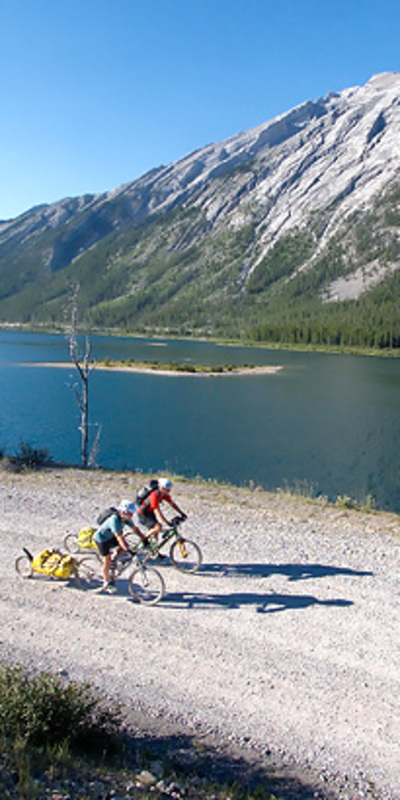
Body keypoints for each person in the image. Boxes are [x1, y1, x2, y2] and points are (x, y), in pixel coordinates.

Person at [94, 499, 145, 593]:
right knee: (107, 560)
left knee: (124, 547)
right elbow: (119, 537)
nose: (132, 516)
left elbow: (135, 529)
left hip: (111, 537)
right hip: (102, 539)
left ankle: (114, 559)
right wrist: (128, 550)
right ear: (123, 512)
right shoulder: (114, 520)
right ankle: (106, 582)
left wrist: (144, 539)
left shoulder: (125, 518)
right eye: (130, 514)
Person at [136, 477, 187, 544]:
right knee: (158, 527)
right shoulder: (154, 495)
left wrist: (182, 513)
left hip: (150, 511)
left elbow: (172, 504)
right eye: (167, 490)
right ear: (162, 488)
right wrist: (167, 522)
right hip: (143, 513)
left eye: (169, 490)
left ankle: (154, 548)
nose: (168, 492)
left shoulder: (163, 494)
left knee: (156, 531)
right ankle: (143, 540)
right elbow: (157, 512)